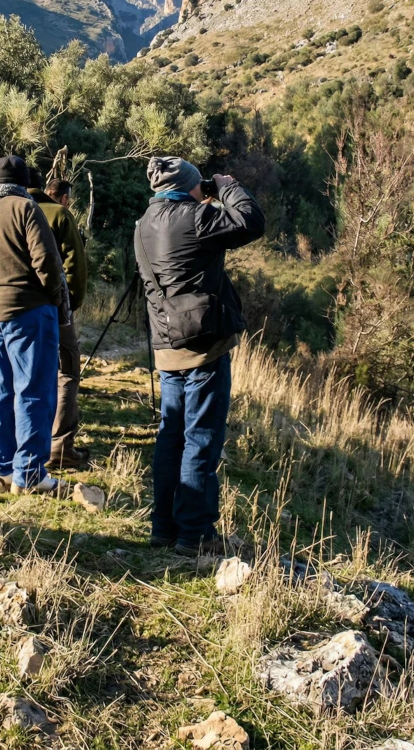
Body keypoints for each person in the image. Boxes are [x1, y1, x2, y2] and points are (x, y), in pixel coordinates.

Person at [135, 156, 265, 557]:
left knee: (170, 438)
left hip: (167, 345)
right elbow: (251, 222)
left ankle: (164, 529)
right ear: (190, 185)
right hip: (203, 345)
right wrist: (225, 187)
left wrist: (202, 194)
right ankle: (195, 535)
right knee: (201, 438)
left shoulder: (143, 225)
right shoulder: (195, 218)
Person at [0, 156, 66, 495]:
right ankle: (31, 473)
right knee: (34, 389)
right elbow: (47, 262)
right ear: (22, 182)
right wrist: (55, 298)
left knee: (0, 392)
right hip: (29, 310)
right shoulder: (26, 207)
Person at [28, 170, 89, 468]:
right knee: (66, 371)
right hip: (53, 305)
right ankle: (60, 446)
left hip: (10, 309)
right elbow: (74, 263)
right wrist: (73, 301)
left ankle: (24, 443)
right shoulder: (58, 214)